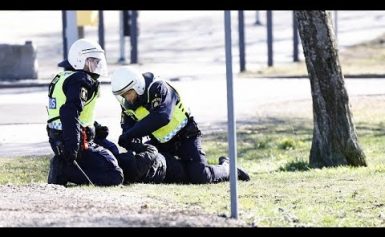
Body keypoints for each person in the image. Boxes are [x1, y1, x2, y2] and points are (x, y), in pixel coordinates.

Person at [110, 66, 250, 184]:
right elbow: (129, 129)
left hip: (186, 136)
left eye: (128, 93)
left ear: (137, 85)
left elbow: (162, 116)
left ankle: (228, 167)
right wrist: (130, 141)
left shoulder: (158, 87)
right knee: (173, 174)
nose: (126, 98)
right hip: (162, 143)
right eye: (123, 95)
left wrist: (130, 134)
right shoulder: (128, 104)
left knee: (200, 176)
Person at [46, 38, 123, 186]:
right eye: (93, 61)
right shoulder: (81, 80)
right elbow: (69, 112)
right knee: (115, 175)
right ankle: (63, 170)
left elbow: (74, 111)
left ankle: (66, 166)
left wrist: (95, 127)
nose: (97, 65)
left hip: (63, 137)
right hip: (73, 140)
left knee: (113, 150)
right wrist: (72, 149)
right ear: (81, 60)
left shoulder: (65, 77)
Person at [117, 141, 188, 184]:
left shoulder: (125, 175)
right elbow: (152, 150)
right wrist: (131, 145)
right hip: (168, 165)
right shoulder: (138, 163)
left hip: (162, 172)